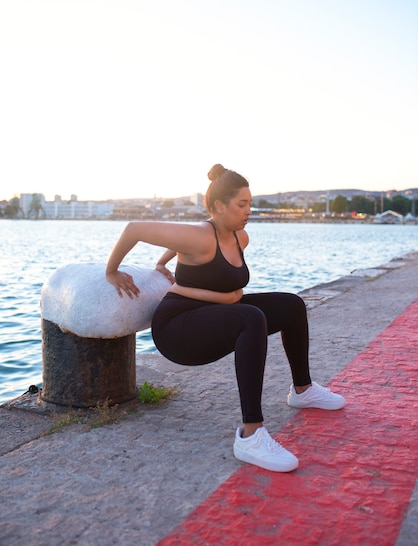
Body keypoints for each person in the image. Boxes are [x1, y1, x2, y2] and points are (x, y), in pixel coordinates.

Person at [105, 164, 345, 472]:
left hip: (208, 316)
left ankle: (303, 390)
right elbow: (133, 229)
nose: (249, 210)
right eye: (241, 204)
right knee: (250, 317)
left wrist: (165, 260)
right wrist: (113, 271)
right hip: (178, 330)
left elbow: (186, 252)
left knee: (292, 305)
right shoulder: (201, 237)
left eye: (249, 203)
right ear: (219, 206)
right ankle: (251, 434)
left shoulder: (240, 237)